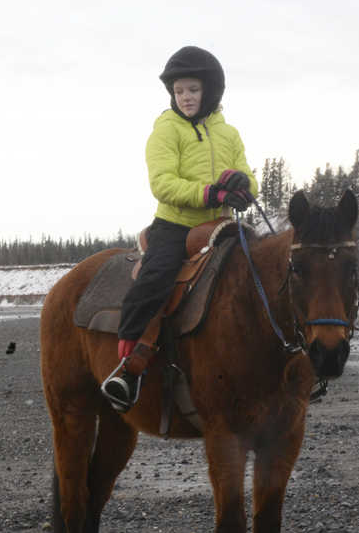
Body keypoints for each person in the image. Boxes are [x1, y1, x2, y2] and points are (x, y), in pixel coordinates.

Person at [101, 46, 258, 413]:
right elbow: (162, 183)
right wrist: (209, 192)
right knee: (155, 280)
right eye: (179, 91)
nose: (185, 97)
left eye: (192, 90)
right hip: (175, 225)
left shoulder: (229, 133)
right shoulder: (165, 130)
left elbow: (248, 174)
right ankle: (128, 369)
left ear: (210, 91)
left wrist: (243, 184)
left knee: (267, 271)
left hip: (221, 225)